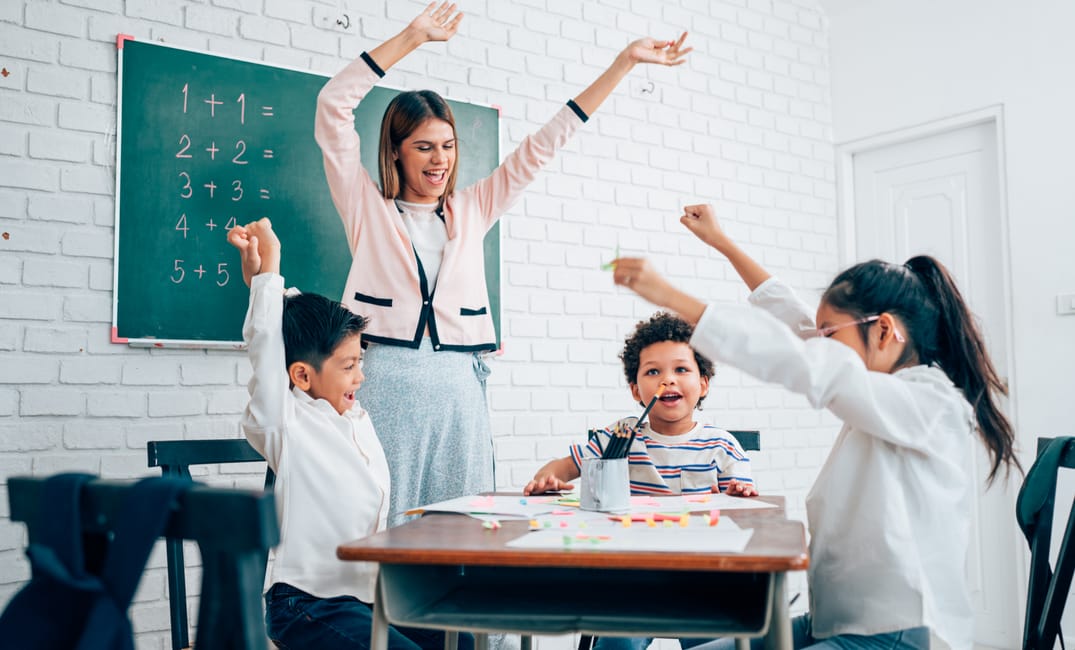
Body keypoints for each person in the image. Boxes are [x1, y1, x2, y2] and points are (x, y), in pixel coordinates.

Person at [314, 2, 692, 525]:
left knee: (461, 520)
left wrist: (623, 63)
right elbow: (333, 106)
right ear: (396, 151)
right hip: (386, 382)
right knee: (384, 518)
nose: (439, 160)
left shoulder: (473, 208)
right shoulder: (366, 208)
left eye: (447, 146)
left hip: (459, 389)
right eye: (423, 147)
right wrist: (413, 36)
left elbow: (544, 145)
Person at [610, 204, 1021, 650]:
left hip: (897, 635)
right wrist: (722, 243)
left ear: (884, 331)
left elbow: (808, 362)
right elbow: (801, 329)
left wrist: (671, 296)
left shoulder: (928, 403)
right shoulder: (883, 390)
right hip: (841, 620)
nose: (819, 345)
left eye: (830, 336)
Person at [227, 218, 472, 650]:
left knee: (459, 639)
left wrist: (276, 293)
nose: (360, 376)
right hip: (307, 605)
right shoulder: (286, 421)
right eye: (348, 366)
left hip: (367, 598)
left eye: (360, 361)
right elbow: (267, 347)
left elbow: (304, 324)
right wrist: (269, 274)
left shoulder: (356, 419)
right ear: (301, 376)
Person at [525, 311, 757, 499]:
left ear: (703, 385)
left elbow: (743, 501)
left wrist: (732, 497)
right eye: (653, 371)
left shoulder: (722, 446)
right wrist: (546, 478)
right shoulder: (621, 436)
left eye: (681, 369)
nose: (668, 380)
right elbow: (563, 467)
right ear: (636, 390)